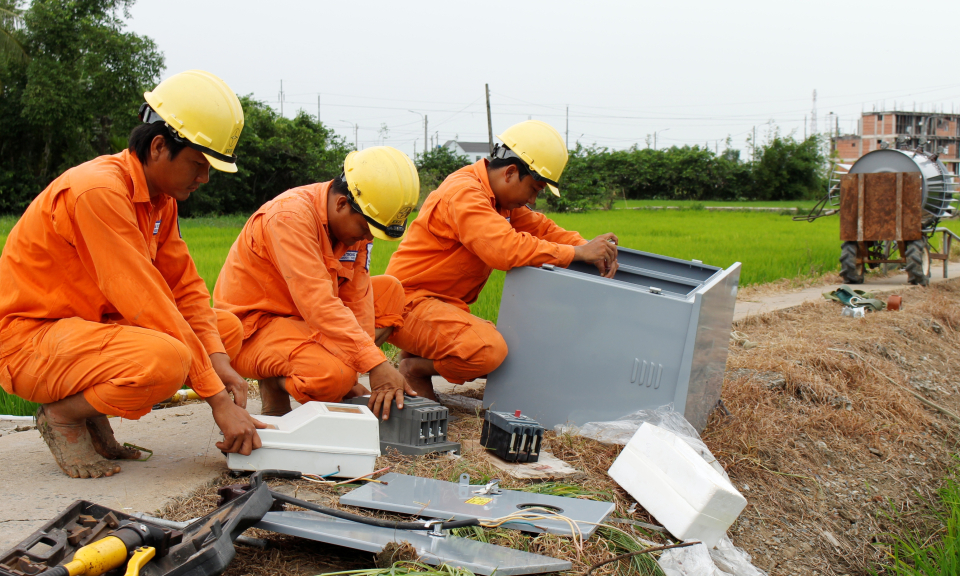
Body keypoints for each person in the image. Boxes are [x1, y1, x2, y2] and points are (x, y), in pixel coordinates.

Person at [0, 70, 265, 479]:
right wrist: (217, 399)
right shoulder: (99, 191)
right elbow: (146, 301)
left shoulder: (162, 201)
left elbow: (187, 290)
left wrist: (219, 364)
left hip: (84, 331)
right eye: (198, 163)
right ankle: (63, 415)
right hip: (30, 341)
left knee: (223, 329)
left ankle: (91, 414)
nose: (204, 178)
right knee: (166, 359)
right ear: (159, 146)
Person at [384, 120, 619, 399]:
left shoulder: (499, 200)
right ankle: (414, 367)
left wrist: (588, 247)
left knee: (518, 351)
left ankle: (416, 363)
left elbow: (542, 229)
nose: (532, 199)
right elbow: (505, 249)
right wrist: (578, 253)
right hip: (407, 305)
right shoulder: (466, 194)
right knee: (489, 350)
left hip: (440, 307)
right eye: (534, 189)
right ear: (510, 173)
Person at [213, 146, 420, 420]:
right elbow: (319, 304)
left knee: (390, 291)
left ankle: (329, 372)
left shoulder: (356, 231)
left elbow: (358, 298)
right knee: (333, 376)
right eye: (365, 229)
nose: (367, 239)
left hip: (304, 320)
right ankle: (274, 382)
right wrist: (375, 365)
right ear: (342, 204)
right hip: (255, 328)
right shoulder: (289, 218)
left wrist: (360, 362)